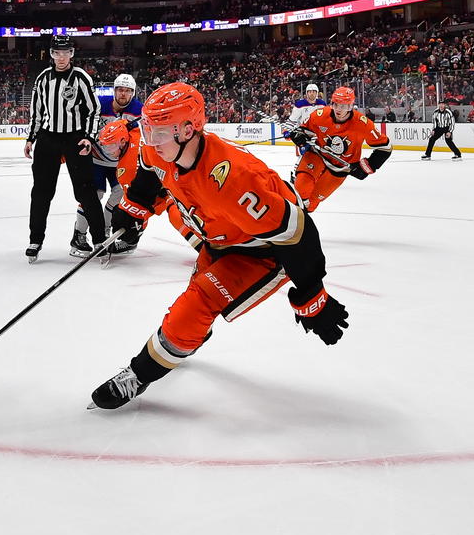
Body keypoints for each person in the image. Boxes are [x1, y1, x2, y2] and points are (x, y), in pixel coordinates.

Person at [88, 82, 349, 410]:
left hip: (260, 251)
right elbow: (148, 175)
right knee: (194, 302)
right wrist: (132, 210)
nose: (150, 140)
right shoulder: (158, 149)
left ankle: (138, 376)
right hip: (219, 239)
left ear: (188, 129)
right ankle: (191, 337)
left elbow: (298, 232)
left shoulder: (235, 180)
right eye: (148, 129)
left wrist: (312, 296)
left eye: (159, 132)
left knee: (195, 306)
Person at [23, 36, 104, 262]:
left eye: (65, 52)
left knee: (86, 191)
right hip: (48, 139)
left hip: (75, 139)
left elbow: (93, 110)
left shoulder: (80, 78)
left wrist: (89, 137)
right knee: (41, 192)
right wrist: (31, 138)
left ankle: (98, 239)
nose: (61, 57)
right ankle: (35, 239)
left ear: (71, 54)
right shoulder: (43, 79)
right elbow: (36, 112)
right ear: (51, 54)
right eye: (57, 53)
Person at [287, 87, 392, 210]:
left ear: (350, 106)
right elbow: (305, 130)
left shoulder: (362, 124)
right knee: (301, 190)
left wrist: (369, 166)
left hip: (340, 168)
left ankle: (301, 221)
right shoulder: (319, 115)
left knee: (312, 203)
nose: (338, 109)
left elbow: (385, 147)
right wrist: (299, 135)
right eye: (336, 104)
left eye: (343, 106)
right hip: (317, 155)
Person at [76, 73, 143, 255]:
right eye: (120, 90)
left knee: (120, 194)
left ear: (133, 93)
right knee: (93, 196)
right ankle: (79, 234)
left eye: (128, 91)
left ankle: (105, 230)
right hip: (96, 160)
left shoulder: (139, 111)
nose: (123, 94)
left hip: (119, 163)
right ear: (114, 91)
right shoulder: (99, 104)